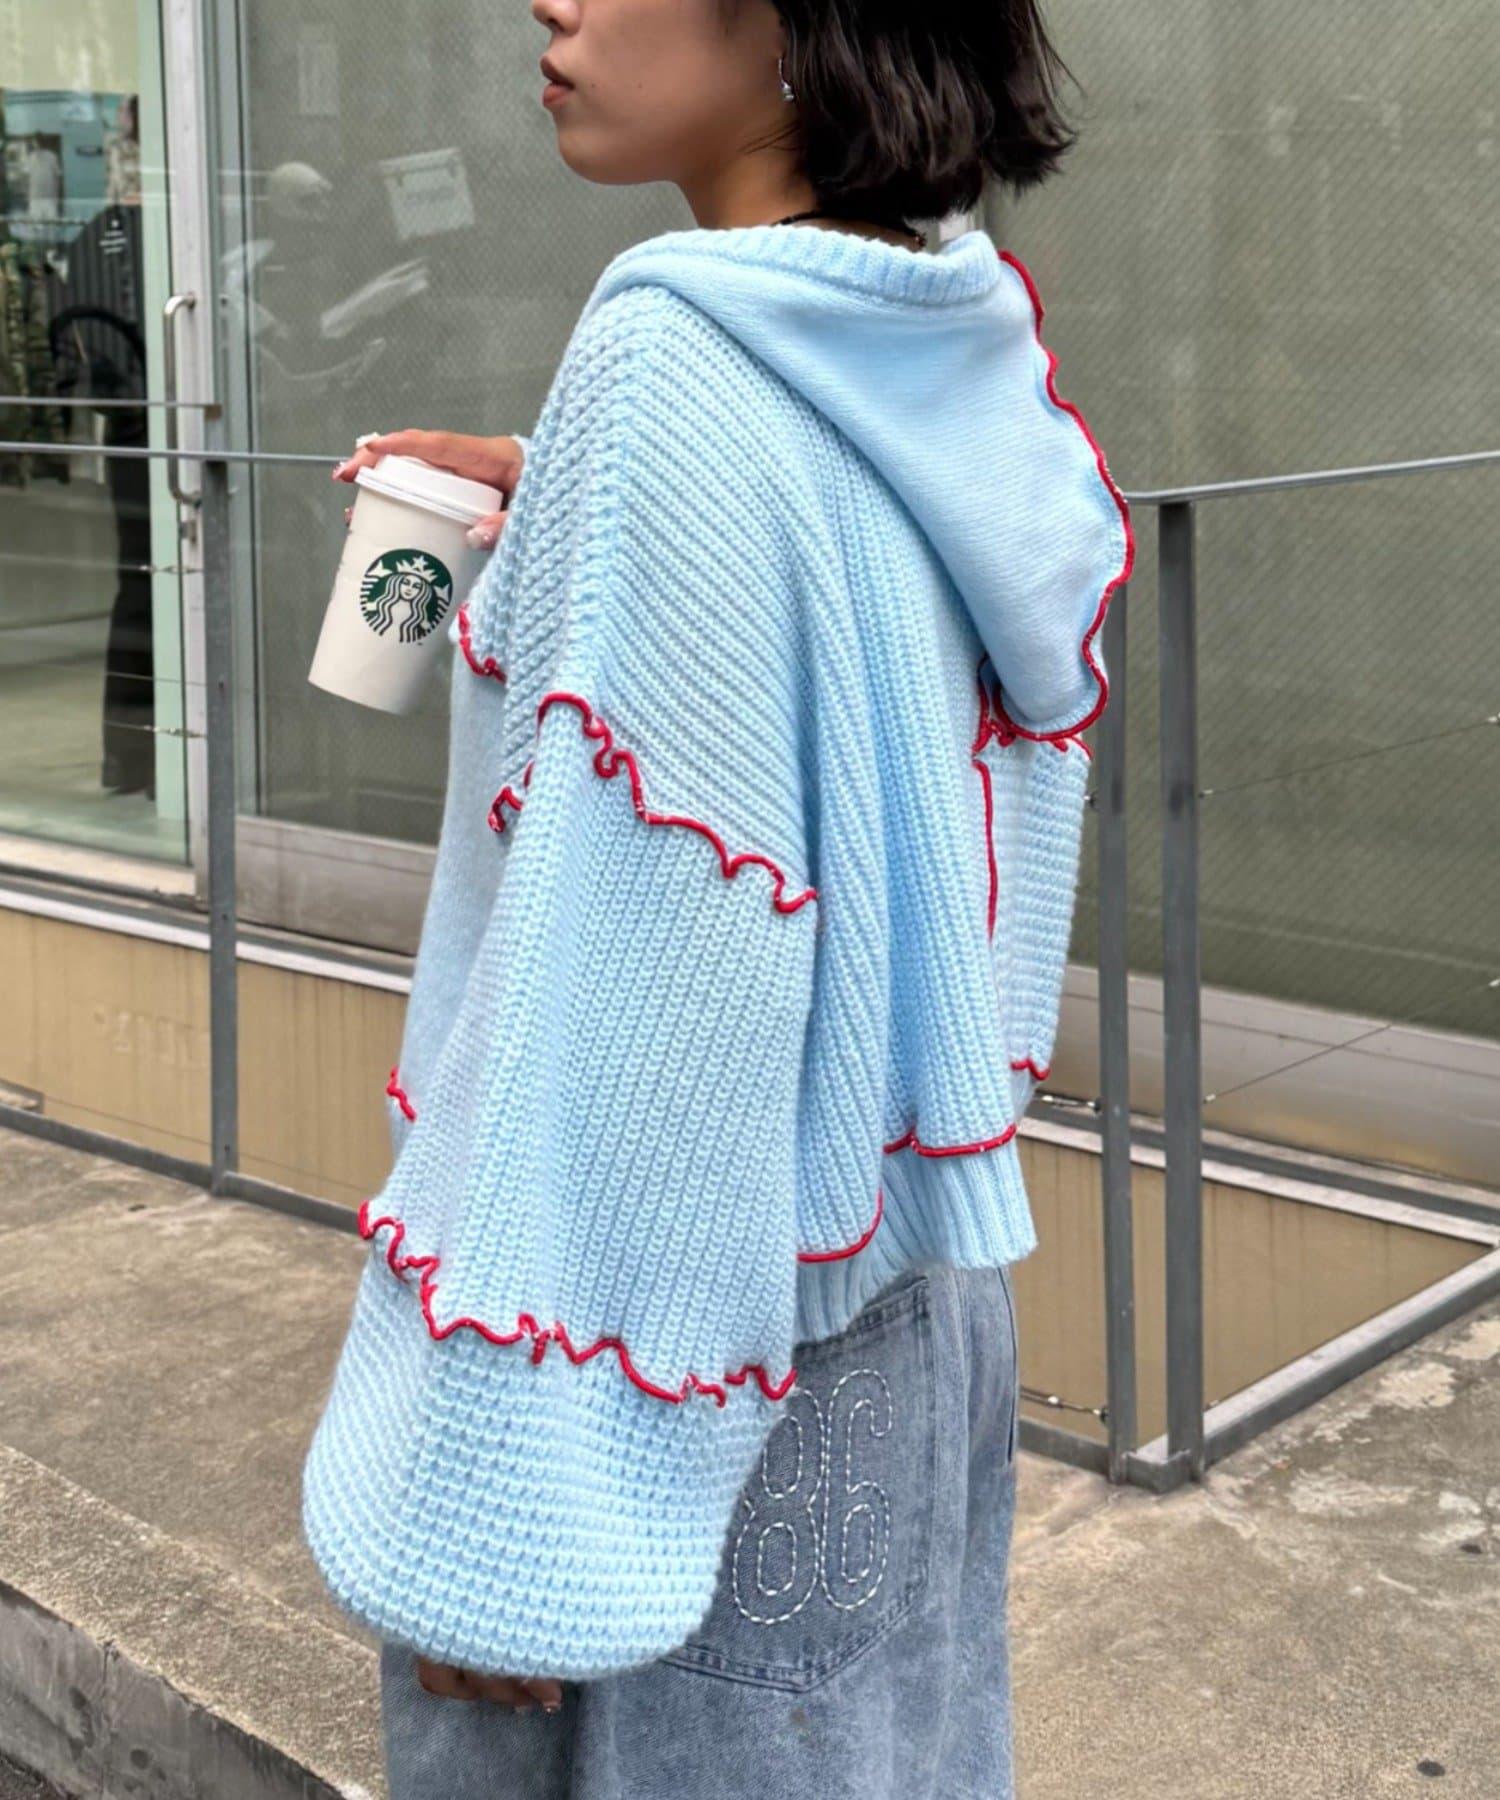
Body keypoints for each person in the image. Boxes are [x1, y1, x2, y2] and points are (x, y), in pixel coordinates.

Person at [304, 0, 1132, 1793]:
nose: (552, 1)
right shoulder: (932, 325)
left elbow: (644, 966)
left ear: (796, 22)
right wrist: (569, 520)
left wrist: (505, 1489)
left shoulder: (672, 362)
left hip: (684, 1370)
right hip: (906, 1309)